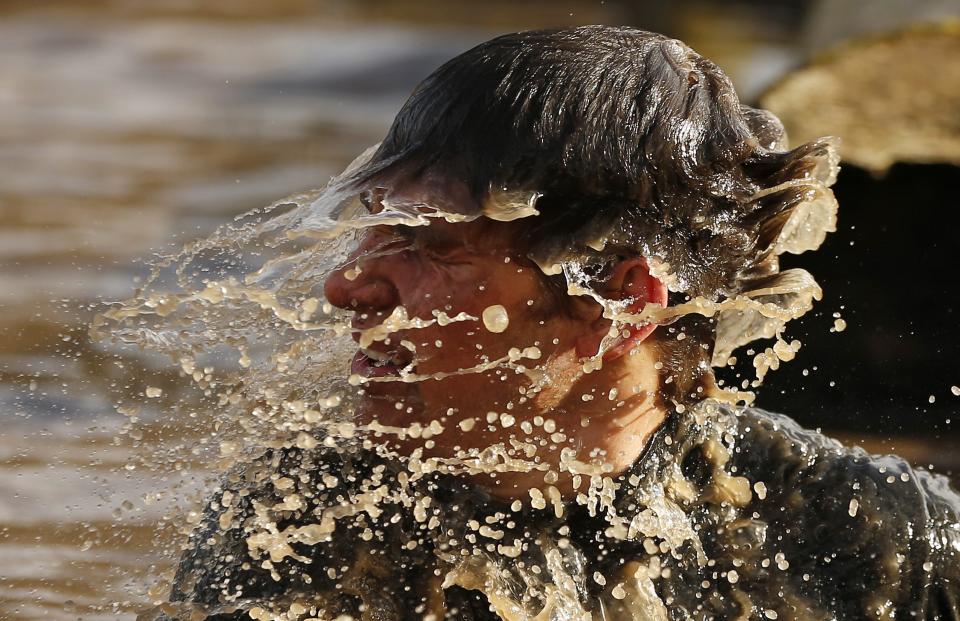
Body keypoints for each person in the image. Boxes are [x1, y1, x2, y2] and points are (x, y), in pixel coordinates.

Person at [148, 26, 960, 621]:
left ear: (623, 301)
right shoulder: (296, 523)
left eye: (431, 244)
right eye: (372, 227)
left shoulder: (879, 542)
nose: (345, 284)